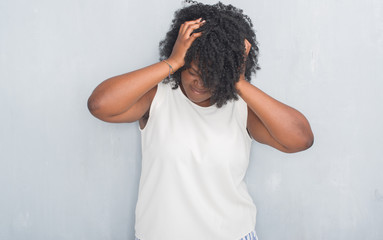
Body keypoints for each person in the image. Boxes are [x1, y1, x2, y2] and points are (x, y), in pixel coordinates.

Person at [87, 1, 314, 240]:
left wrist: (238, 82)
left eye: (212, 77)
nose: (199, 83)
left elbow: (300, 139)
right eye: (193, 72)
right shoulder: (158, 97)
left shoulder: (240, 109)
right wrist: (172, 62)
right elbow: (100, 105)